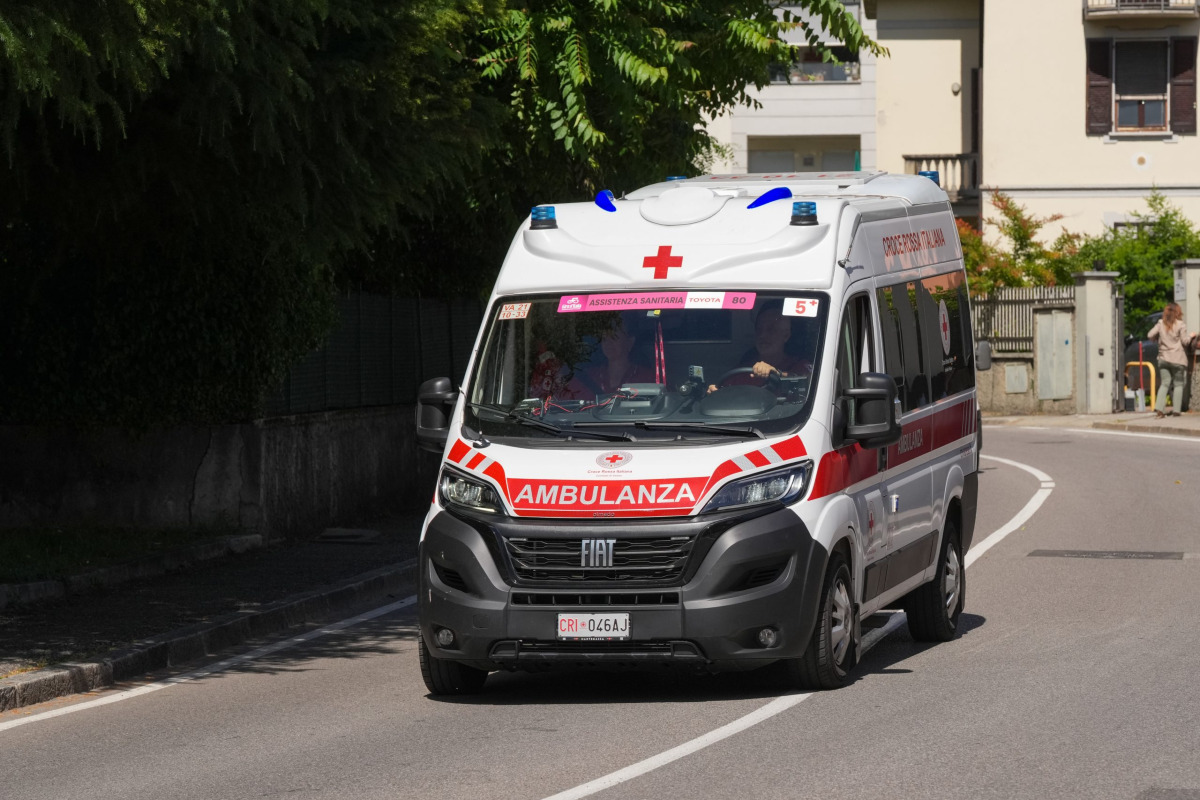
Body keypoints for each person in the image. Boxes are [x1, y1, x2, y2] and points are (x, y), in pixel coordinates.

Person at [709, 300, 812, 393]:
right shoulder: (741, 371)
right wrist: (716, 393)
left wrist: (778, 375)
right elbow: (725, 395)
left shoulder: (801, 366)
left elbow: (811, 384)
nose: (762, 335)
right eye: (759, 329)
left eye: (771, 329)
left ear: (786, 335)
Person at [564, 315, 654, 398]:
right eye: (604, 338)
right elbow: (563, 402)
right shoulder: (588, 377)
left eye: (614, 337)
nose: (608, 343)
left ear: (630, 342)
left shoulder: (647, 378)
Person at [1147, 302, 1198, 418]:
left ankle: (1159, 410)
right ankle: (1176, 411)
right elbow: (1185, 341)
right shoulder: (1181, 324)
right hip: (1178, 359)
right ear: (1178, 313)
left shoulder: (1160, 323)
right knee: (1178, 384)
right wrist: (1191, 335)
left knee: (1165, 384)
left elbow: (1150, 335)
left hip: (1163, 358)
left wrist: (1156, 338)